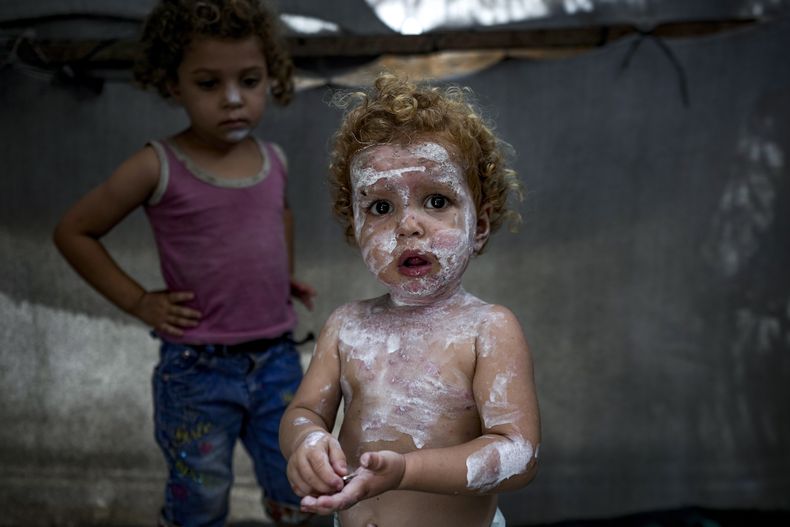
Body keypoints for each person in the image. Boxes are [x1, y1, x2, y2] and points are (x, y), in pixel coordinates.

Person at [53, 1, 315, 525]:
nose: (233, 98)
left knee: (300, 483)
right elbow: (73, 232)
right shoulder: (157, 165)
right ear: (173, 85)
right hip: (198, 371)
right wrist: (139, 301)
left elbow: (279, 215)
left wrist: (278, 275)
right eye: (208, 83)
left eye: (249, 80)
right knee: (200, 498)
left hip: (278, 361)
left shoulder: (275, 160)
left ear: (271, 77)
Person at [279, 72, 541, 527]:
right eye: (381, 207)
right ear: (355, 226)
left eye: (436, 201)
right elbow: (303, 412)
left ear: (479, 226)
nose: (408, 226)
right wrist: (306, 443)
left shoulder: (488, 329)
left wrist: (405, 471)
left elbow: (517, 453)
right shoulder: (346, 326)